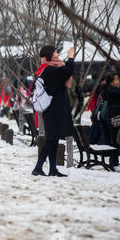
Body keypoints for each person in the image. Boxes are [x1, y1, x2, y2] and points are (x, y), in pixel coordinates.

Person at [32, 46, 75, 177]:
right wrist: (71, 57)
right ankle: (38, 168)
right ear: (50, 54)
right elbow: (68, 71)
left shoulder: (49, 69)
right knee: (51, 139)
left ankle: (52, 169)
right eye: (55, 51)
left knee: (54, 139)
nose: (57, 53)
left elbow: (65, 71)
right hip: (54, 108)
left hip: (55, 107)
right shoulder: (49, 69)